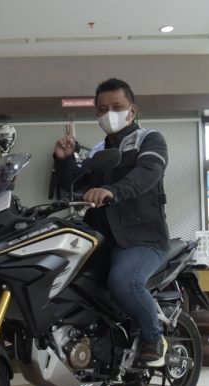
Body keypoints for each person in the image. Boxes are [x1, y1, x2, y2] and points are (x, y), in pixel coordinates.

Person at [53, 78, 169, 368]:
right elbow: (73, 185)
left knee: (124, 282)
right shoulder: (96, 151)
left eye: (117, 107)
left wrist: (113, 191)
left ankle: (154, 337)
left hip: (141, 238)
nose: (110, 114)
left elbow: (148, 173)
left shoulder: (149, 139)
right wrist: (65, 161)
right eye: (103, 109)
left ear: (133, 110)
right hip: (101, 238)